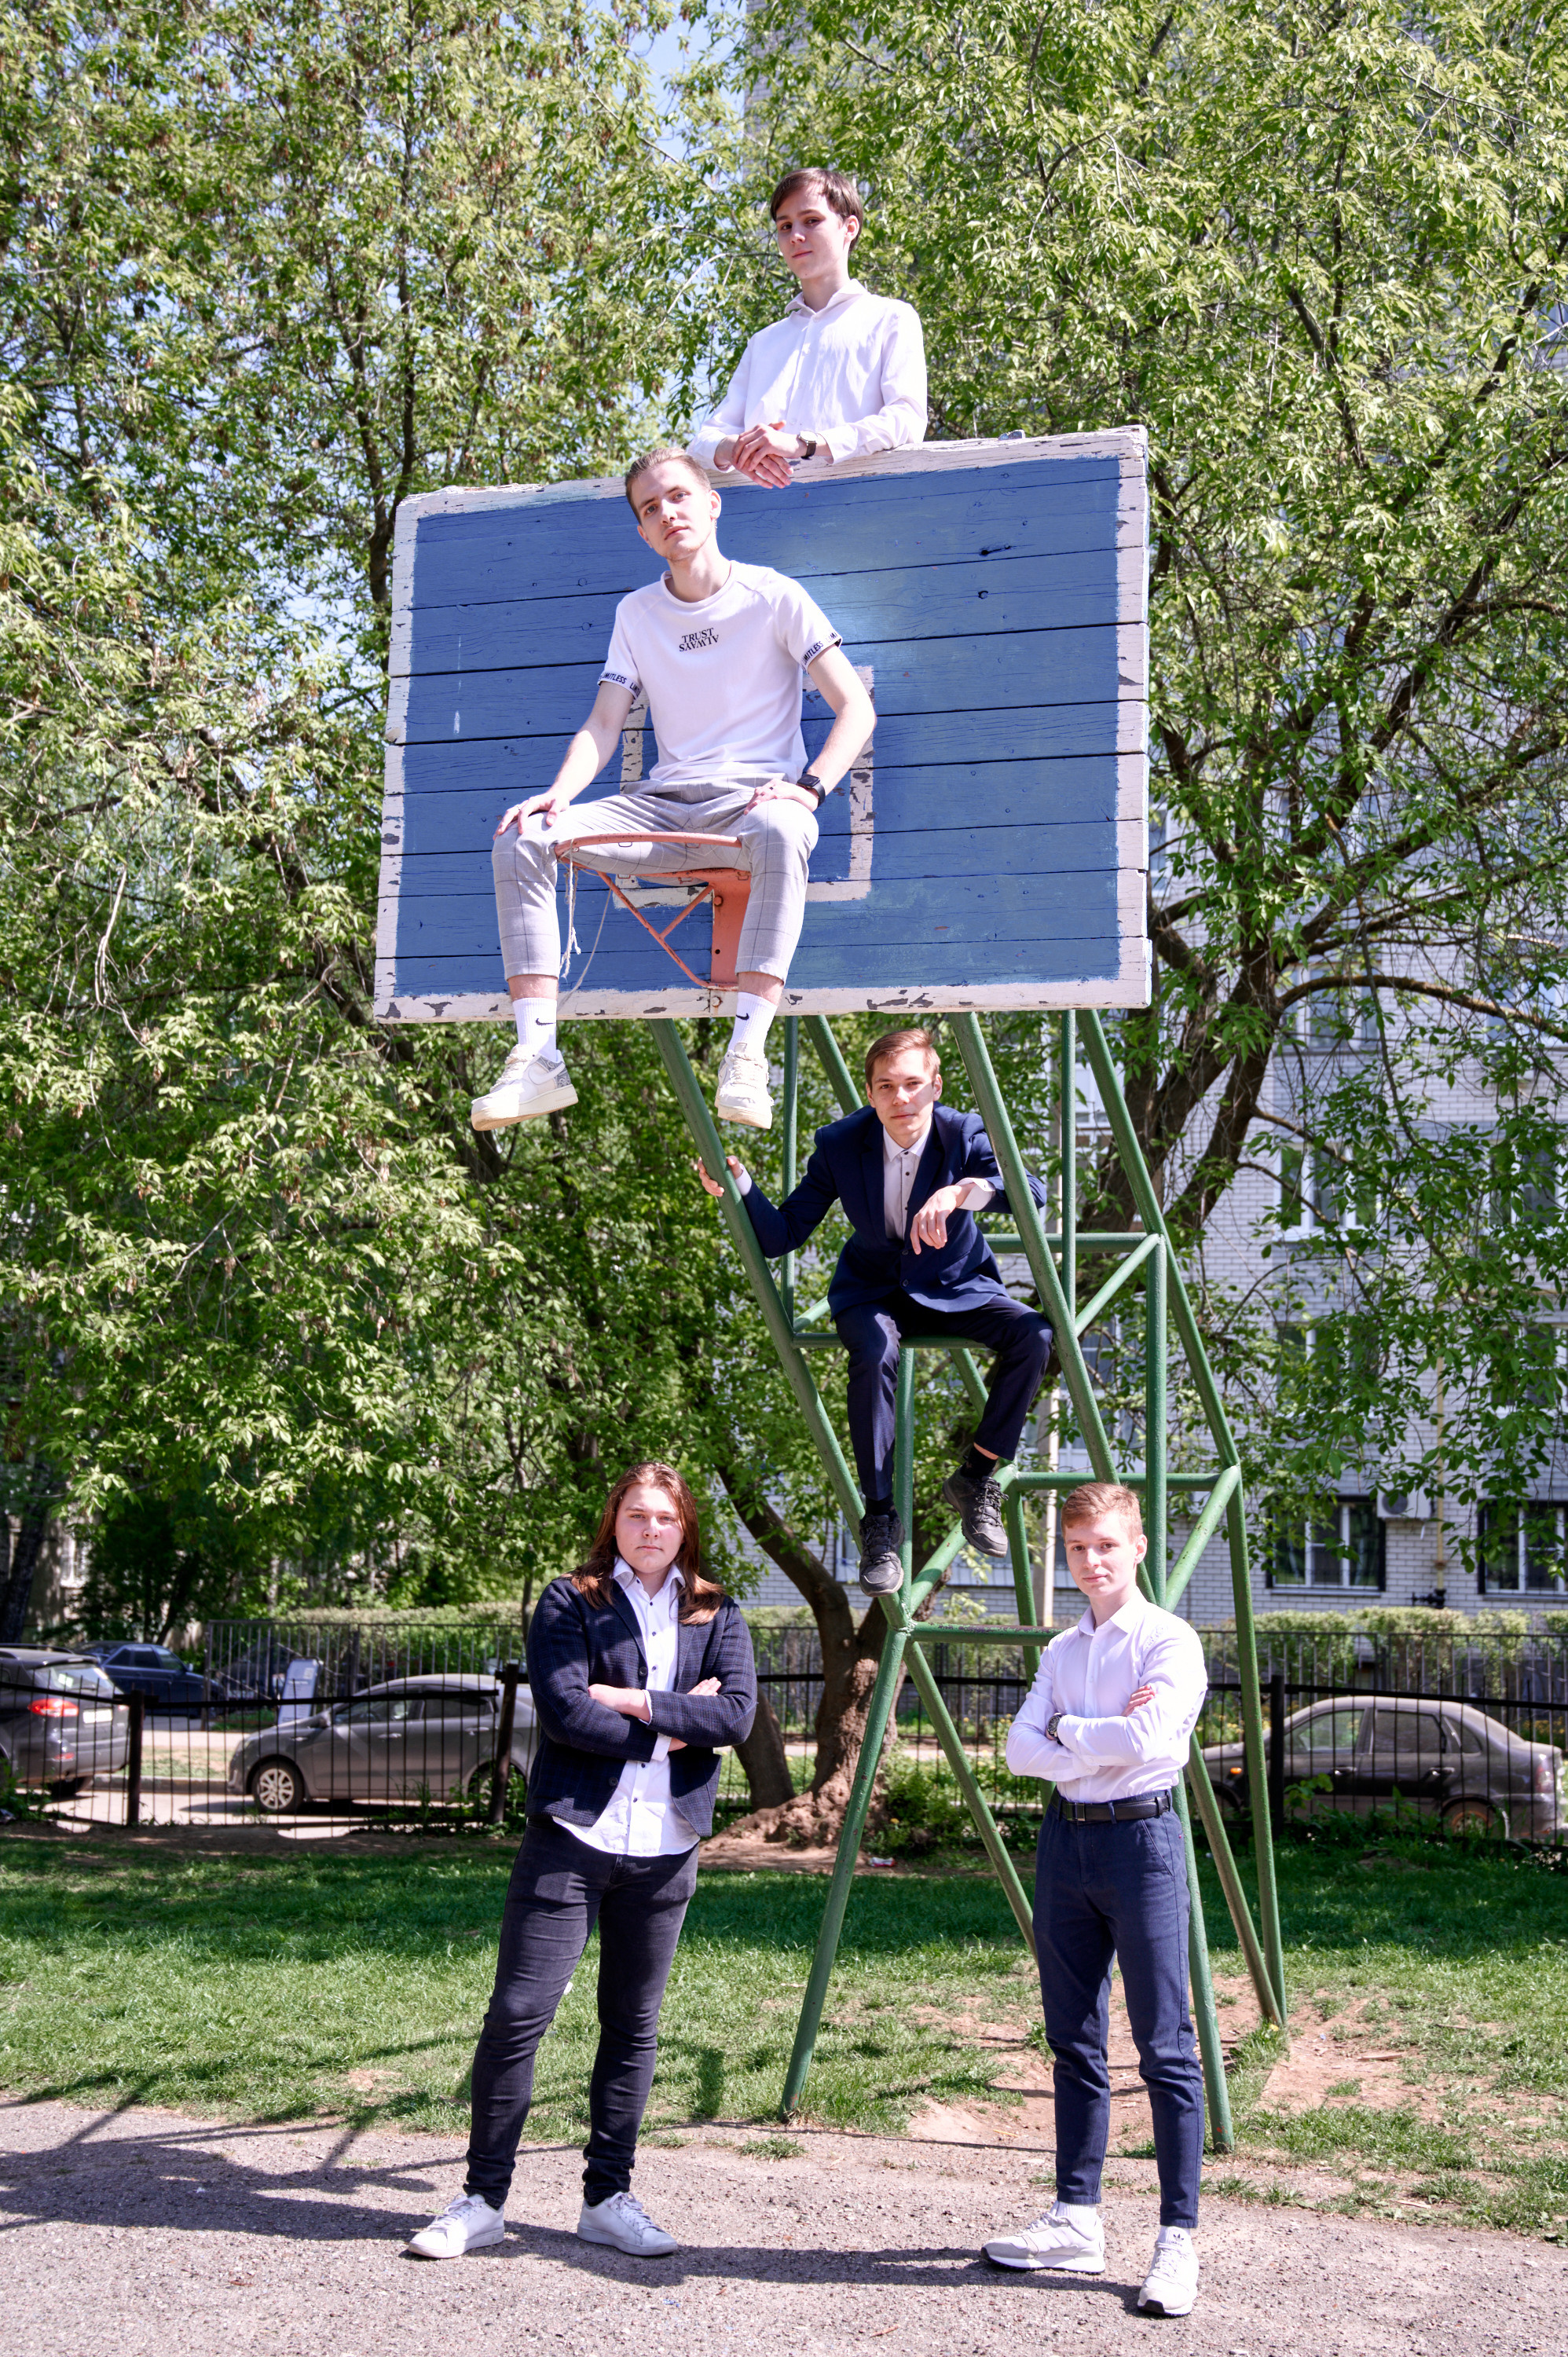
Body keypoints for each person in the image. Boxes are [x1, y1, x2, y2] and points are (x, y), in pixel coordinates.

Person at [405, 1461, 757, 2263]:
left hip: (665, 1849)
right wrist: (676, 1723)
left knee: (632, 2027)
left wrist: (631, 1702)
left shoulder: (718, 1610)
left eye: (664, 1518)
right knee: (517, 2014)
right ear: (614, 1522)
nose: (649, 1530)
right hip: (572, 1840)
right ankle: (481, 2199)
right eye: (635, 1515)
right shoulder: (572, 1599)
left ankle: (607, 2197)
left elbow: (734, 1716)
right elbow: (564, 1712)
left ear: (685, 1527)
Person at [473, 448, 875, 1135]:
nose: (668, 513)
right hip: (663, 810)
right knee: (524, 836)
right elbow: (605, 721)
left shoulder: (773, 595)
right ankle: (537, 1058)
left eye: (680, 497)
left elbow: (856, 710)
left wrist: (808, 789)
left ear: (713, 503)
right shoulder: (636, 614)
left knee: (782, 830)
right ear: (643, 533)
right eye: (651, 508)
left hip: (752, 806)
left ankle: (747, 1054)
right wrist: (559, 794)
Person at [699, 1027, 1053, 1592]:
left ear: (935, 1086)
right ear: (870, 1092)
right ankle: (880, 1519)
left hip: (954, 1286)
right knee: (874, 1348)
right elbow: (781, 1234)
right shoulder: (843, 1144)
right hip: (872, 1292)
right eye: (887, 1086)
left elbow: (1031, 1193)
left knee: (1035, 1335)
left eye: (914, 1084)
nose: (902, 1098)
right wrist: (740, 1182)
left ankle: (978, 1475)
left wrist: (959, 1192)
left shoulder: (963, 1132)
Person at [981, 1482, 1208, 2319]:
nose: (1092, 1560)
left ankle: (1175, 2239)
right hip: (1065, 1843)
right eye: (1078, 1547)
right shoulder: (1061, 1650)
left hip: (1143, 1845)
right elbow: (1015, 1750)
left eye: (1107, 1544)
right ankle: (1076, 2218)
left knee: (1164, 2046)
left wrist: (1068, 1734)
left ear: (1138, 1547)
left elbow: (1151, 1743)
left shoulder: (1170, 1641)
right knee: (1071, 2038)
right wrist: (1093, 1736)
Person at [688, 167, 926, 487]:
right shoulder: (763, 343)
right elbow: (703, 442)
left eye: (811, 220)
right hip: (765, 525)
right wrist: (736, 448)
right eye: (784, 226)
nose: (795, 235)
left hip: (864, 514)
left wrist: (804, 444)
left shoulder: (892, 318)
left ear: (849, 227)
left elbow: (907, 421)